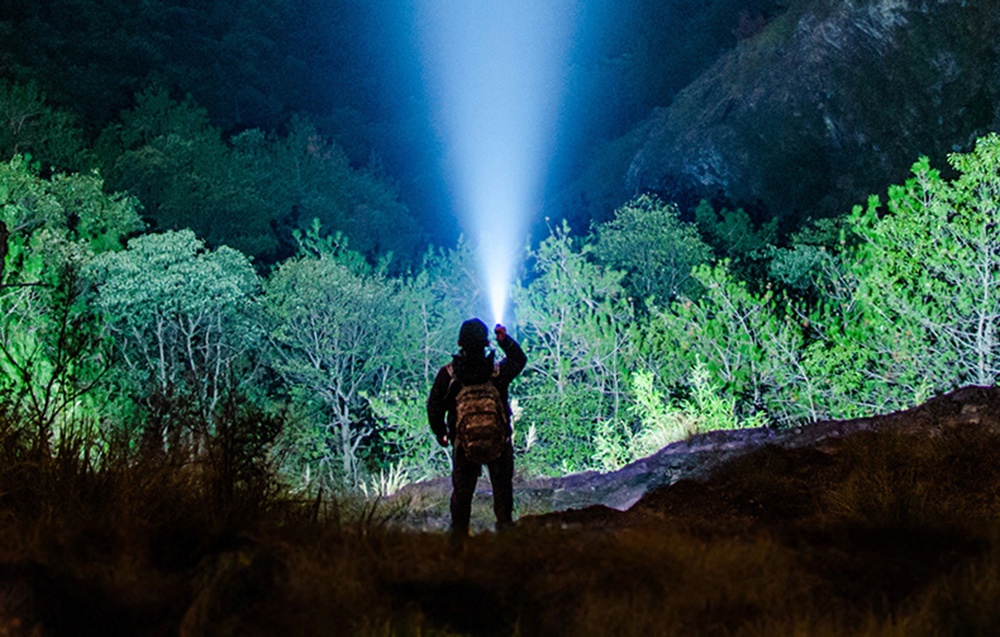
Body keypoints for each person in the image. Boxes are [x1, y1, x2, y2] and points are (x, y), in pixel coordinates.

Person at [427, 318, 527, 540]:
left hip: (464, 445)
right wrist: (504, 341)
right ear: (486, 342)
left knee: (462, 496)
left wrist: (441, 433)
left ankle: (460, 543)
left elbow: (434, 406)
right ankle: (505, 540)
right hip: (499, 442)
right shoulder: (497, 372)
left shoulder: (450, 375)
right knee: (502, 492)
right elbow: (520, 360)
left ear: (460, 342)